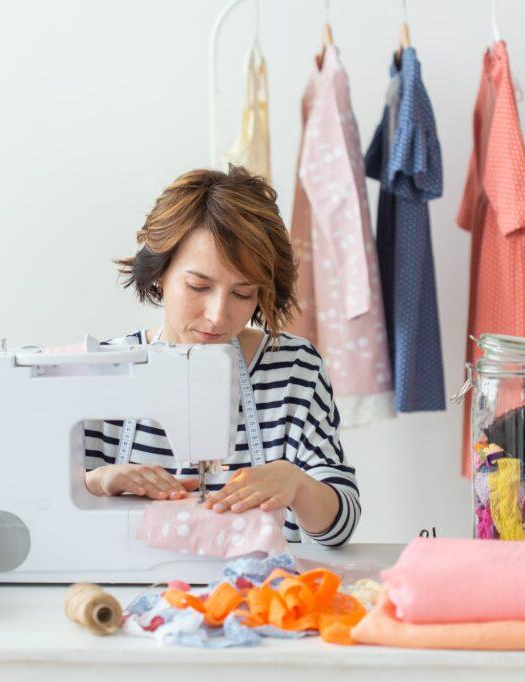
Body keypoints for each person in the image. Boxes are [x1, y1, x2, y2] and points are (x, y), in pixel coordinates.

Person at [83, 166, 359, 546]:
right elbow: (43, 509)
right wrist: (96, 482)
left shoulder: (295, 368)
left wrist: (297, 485)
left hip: (260, 597)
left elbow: (339, 528)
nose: (217, 315)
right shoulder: (106, 370)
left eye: (243, 294)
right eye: (199, 286)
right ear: (161, 272)